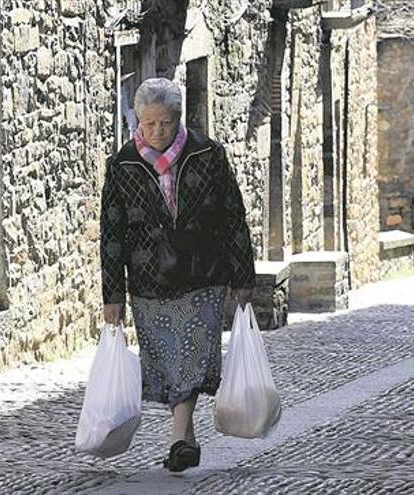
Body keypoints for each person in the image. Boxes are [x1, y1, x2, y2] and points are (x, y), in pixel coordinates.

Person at [100, 77, 255, 472]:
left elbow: (233, 217)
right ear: (138, 120)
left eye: (166, 123)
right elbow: (112, 234)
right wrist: (113, 295)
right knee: (167, 358)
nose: (157, 132)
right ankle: (186, 436)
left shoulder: (209, 155)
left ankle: (177, 438)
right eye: (149, 123)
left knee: (193, 354)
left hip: (202, 274)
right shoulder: (123, 166)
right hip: (149, 281)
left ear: (178, 118)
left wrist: (242, 276)